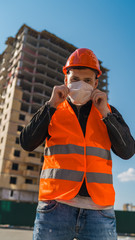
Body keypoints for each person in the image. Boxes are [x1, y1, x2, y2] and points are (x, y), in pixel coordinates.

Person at [20, 48, 135, 240]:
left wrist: (106, 115)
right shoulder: (52, 108)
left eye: (87, 81)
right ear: (66, 80)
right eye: (74, 79)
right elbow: (26, 142)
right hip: (55, 207)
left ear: (96, 83)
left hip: (99, 211)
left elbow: (127, 151)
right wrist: (50, 106)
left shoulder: (108, 111)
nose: (80, 85)